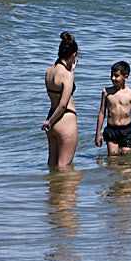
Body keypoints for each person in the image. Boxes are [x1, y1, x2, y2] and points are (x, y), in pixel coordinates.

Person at [42, 32, 79, 170]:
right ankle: (66, 192)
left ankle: (53, 191)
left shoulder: (49, 71)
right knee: (64, 168)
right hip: (65, 120)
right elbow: (63, 104)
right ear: (73, 55)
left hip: (52, 116)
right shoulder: (67, 75)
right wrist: (49, 122)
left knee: (52, 166)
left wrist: (50, 122)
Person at [96, 61, 131, 155]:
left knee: (126, 158)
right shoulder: (106, 92)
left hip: (126, 130)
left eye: (116, 76)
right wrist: (98, 134)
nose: (113, 78)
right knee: (112, 157)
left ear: (126, 77)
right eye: (111, 75)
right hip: (111, 129)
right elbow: (102, 113)